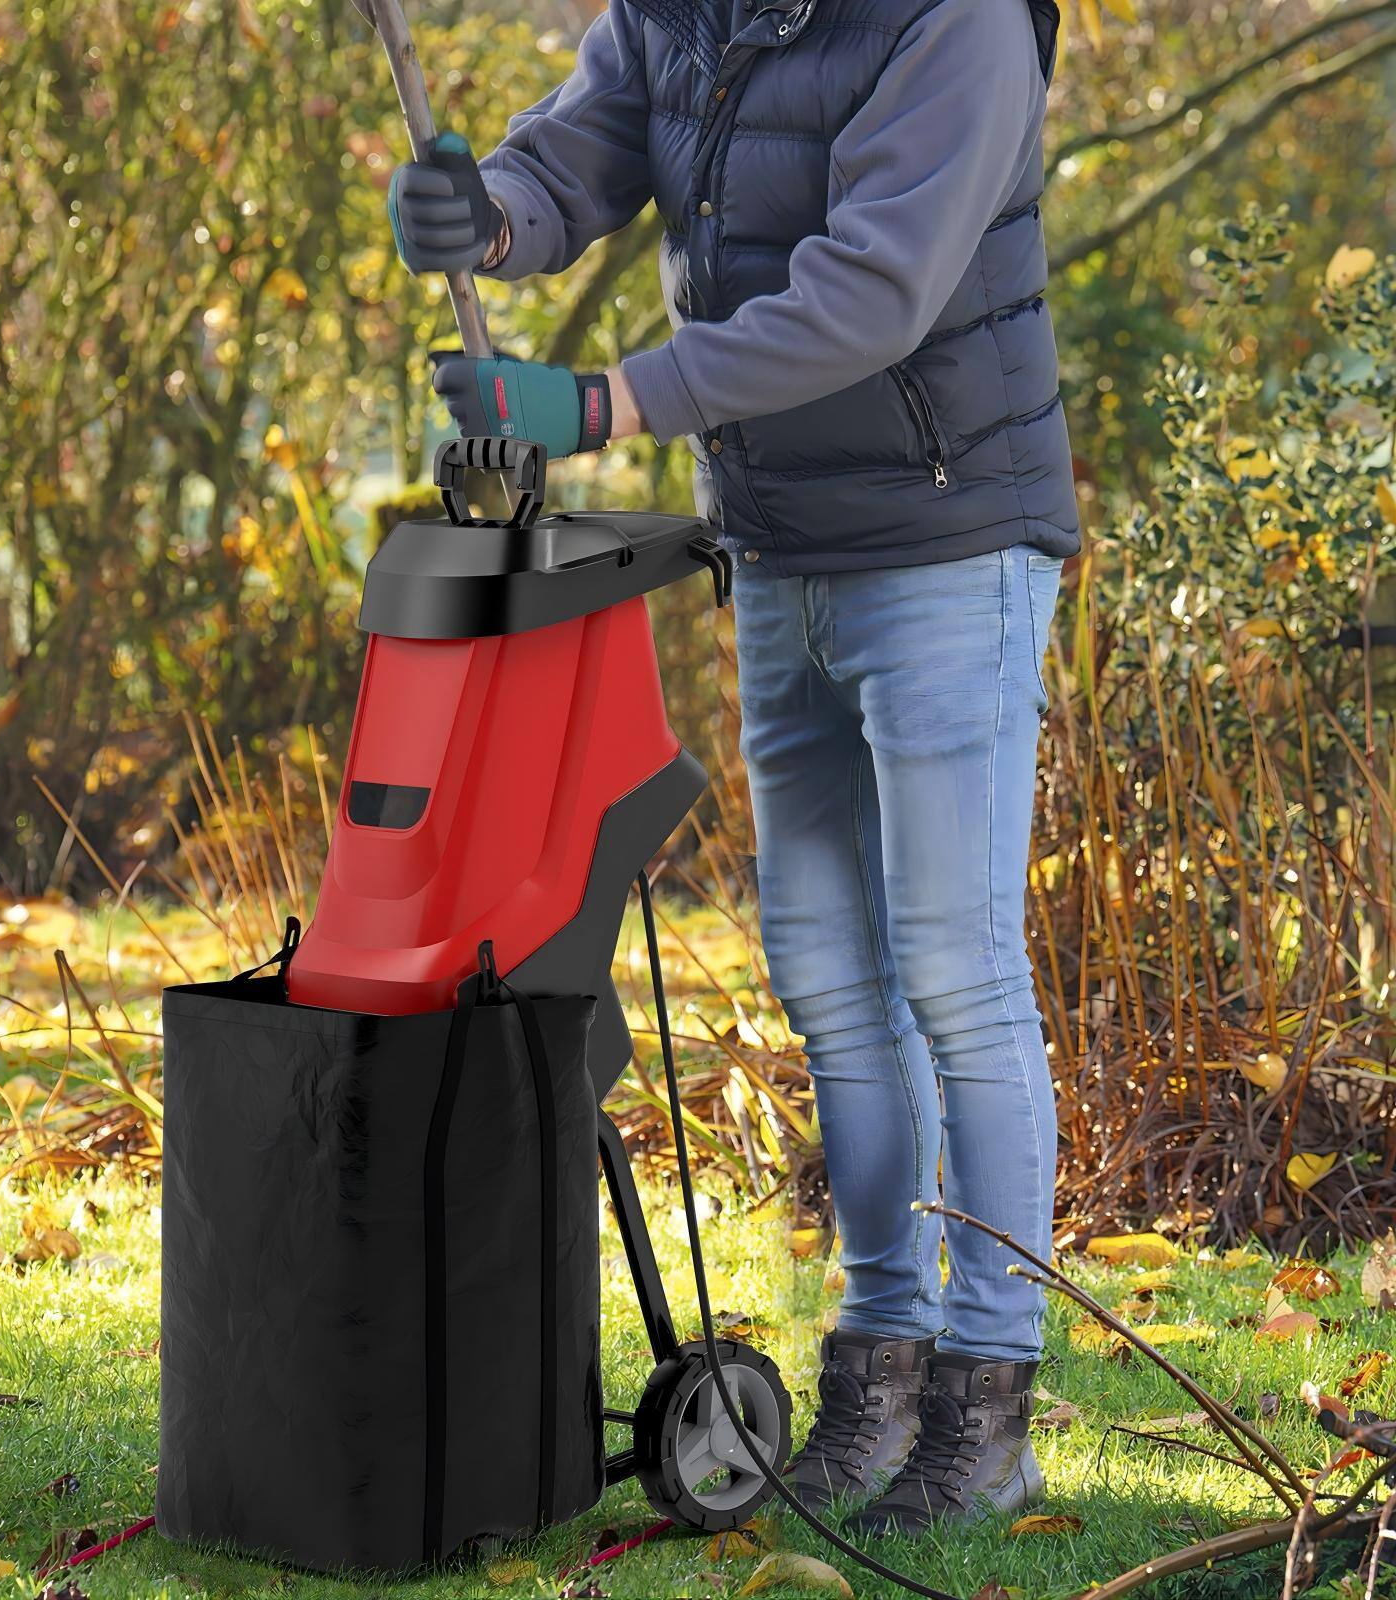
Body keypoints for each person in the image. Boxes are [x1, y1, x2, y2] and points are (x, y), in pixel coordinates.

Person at [387, 0, 1080, 1536]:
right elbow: (582, 154)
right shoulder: (681, 9)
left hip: (952, 542)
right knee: (829, 976)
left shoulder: (953, 25)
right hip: (781, 546)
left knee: (955, 974)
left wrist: (606, 404)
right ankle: (879, 1367)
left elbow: (872, 291)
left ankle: (991, 1400)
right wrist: (487, 213)